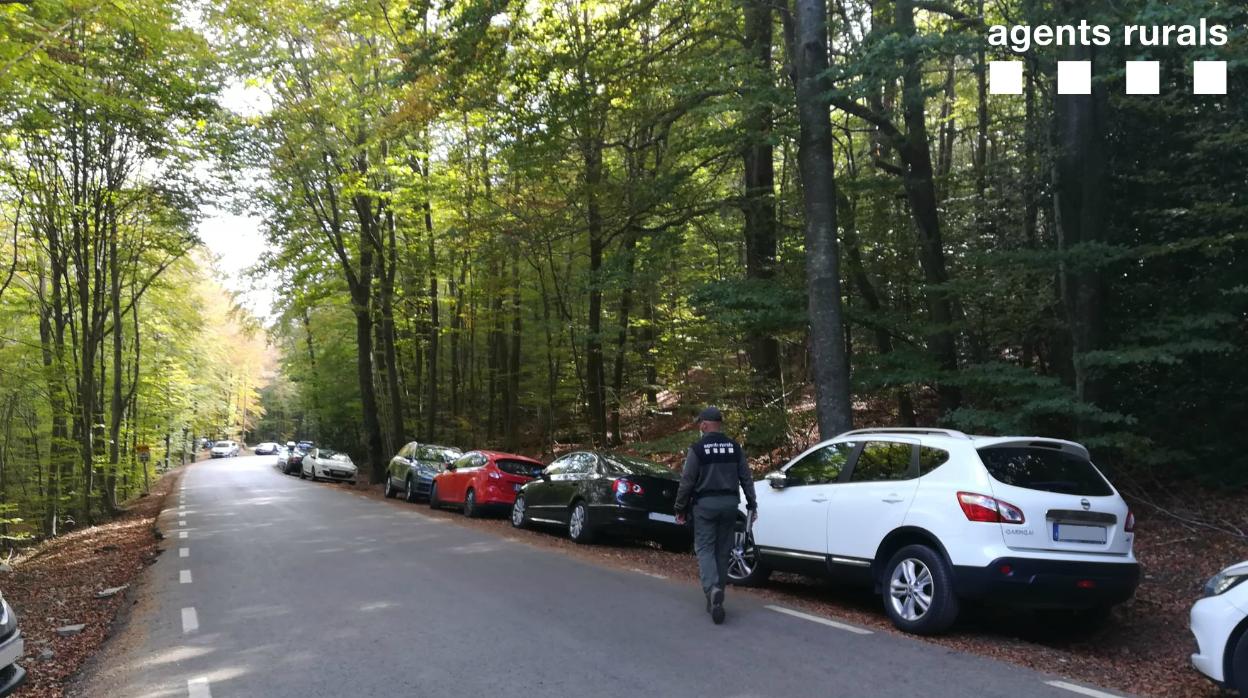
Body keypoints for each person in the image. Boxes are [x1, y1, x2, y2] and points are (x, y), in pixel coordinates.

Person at [674, 406, 757, 625]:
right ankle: (718, 595)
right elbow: (746, 478)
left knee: (704, 548)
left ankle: (711, 589)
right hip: (730, 505)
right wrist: (752, 504)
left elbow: (687, 481)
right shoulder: (734, 448)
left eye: (700, 423)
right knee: (723, 551)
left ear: (705, 424)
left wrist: (680, 508)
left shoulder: (698, 449)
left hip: (705, 506)